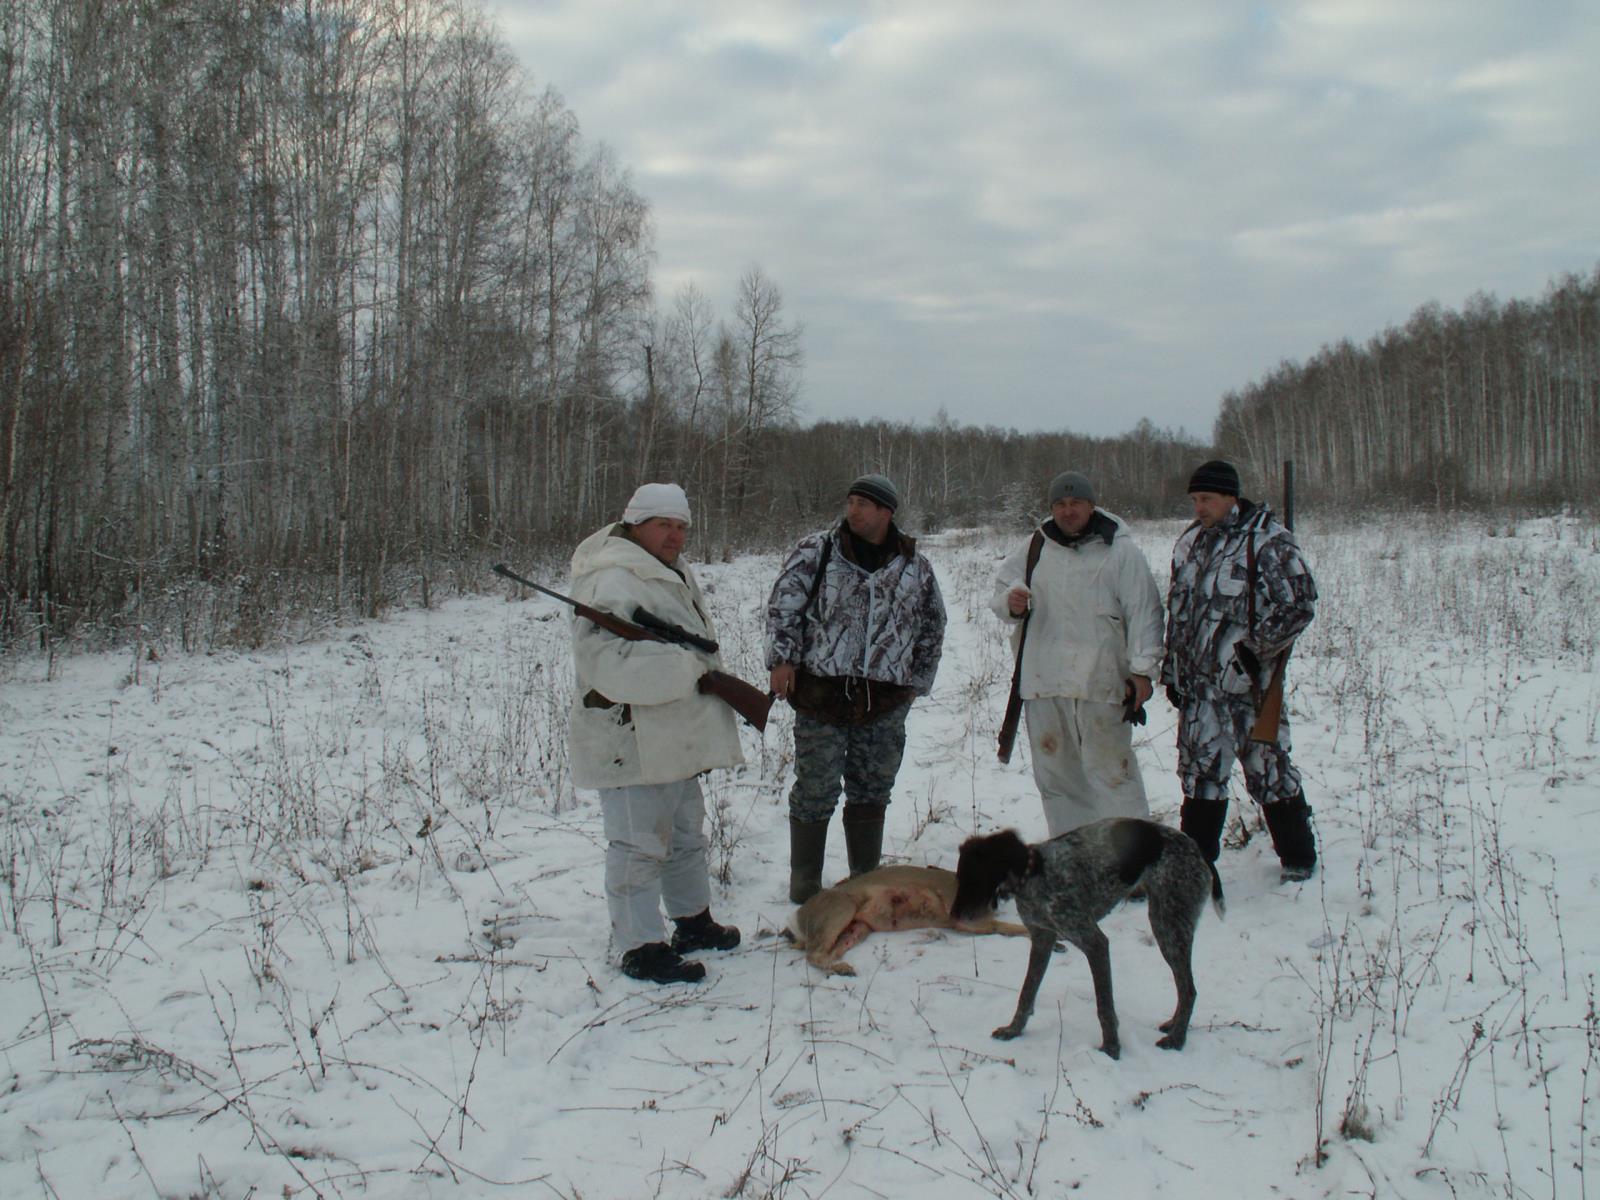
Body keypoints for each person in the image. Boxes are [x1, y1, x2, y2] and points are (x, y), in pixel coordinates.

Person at [568, 482, 744, 984]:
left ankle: (692, 921)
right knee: (638, 845)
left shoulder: (668, 569)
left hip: (673, 731)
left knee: (685, 835)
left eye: (682, 526)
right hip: (631, 736)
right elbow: (605, 663)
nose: (675, 536)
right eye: (664, 525)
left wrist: (690, 668)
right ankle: (640, 947)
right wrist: (685, 667)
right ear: (636, 523)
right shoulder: (610, 578)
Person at [766, 474, 947, 903]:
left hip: (884, 699)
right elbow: (784, 606)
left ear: (886, 512)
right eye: (850, 502)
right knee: (815, 786)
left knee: (872, 787)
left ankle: (865, 877)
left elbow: (932, 624)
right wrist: (782, 659)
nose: (853, 510)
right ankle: (805, 882)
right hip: (821, 694)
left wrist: (917, 682)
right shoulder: (817, 551)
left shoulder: (914, 565)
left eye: (863, 504)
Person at [1161, 460, 1318, 882]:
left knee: (1268, 768)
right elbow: (1180, 612)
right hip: (1199, 688)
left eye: (1207, 499)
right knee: (1199, 771)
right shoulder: (1191, 542)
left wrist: (1251, 654)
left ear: (1231, 497)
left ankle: (1298, 857)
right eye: (1195, 499)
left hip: (1251, 688)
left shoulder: (1268, 541)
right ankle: (1196, 867)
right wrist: (1172, 670)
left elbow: (1299, 605)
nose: (1199, 507)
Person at [990, 471, 1164, 837]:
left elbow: (1144, 612)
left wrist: (1142, 671)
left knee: (1113, 774)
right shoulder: (1036, 547)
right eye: (1060, 504)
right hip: (1044, 682)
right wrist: (1012, 602)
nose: (1068, 511)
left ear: (1092, 505)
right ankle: (1073, 854)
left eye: (1076, 503)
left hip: (1102, 682)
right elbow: (1003, 590)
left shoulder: (1120, 551)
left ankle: (1131, 857)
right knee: (1057, 779)